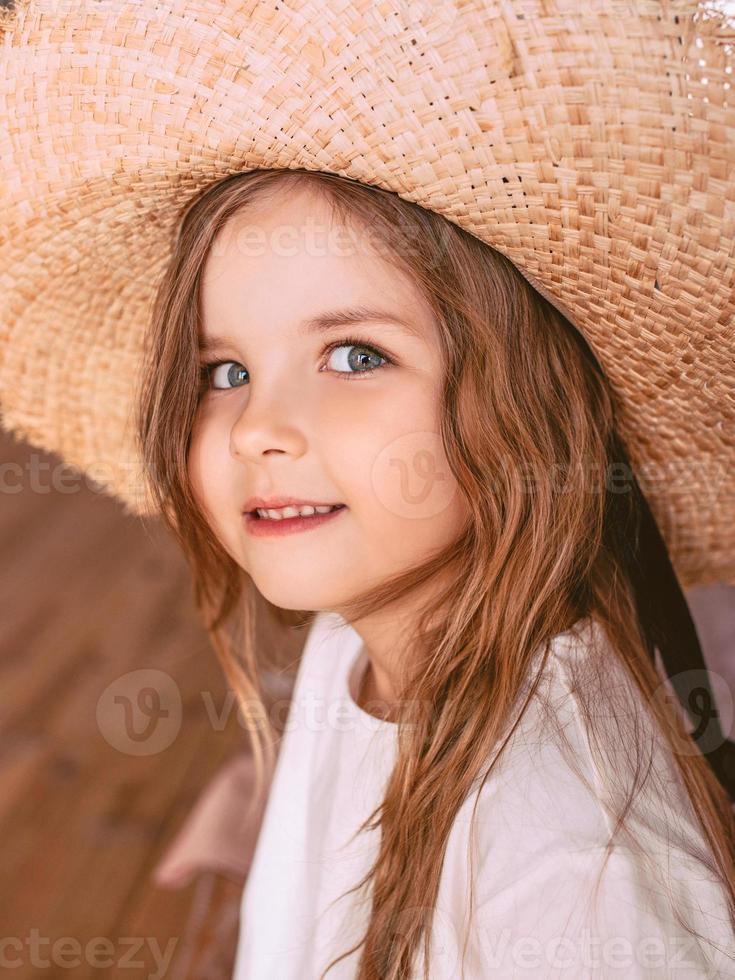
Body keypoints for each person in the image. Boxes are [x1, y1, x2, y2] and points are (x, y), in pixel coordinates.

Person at [1, 3, 734, 978]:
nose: (259, 425)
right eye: (224, 371)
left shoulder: (577, 877)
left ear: (531, 411)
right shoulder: (355, 637)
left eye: (355, 353)